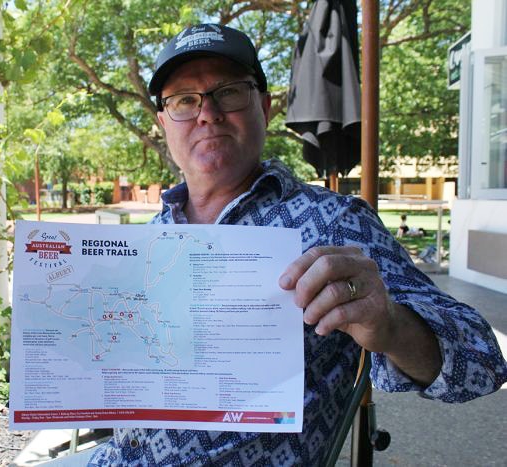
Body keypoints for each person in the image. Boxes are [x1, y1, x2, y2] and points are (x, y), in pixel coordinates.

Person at [88, 24, 507, 466]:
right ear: (163, 123)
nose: (207, 113)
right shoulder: (147, 238)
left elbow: (481, 365)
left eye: (228, 92)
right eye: (184, 101)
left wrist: (391, 325)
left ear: (264, 108)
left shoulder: (336, 222)